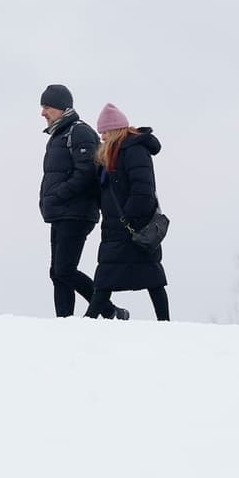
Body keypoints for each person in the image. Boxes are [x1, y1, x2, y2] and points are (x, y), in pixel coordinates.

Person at [38, 84, 127, 319]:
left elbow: (86, 173)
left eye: (47, 107)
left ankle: (109, 311)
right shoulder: (59, 135)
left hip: (76, 213)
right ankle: (64, 320)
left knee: (64, 270)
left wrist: (59, 195)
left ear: (61, 107)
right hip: (61, 212)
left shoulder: (80, 132)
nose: (43, 112)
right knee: (57, 273)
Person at [85, 103, 170, 321]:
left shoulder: (134, 150)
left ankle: (89, 319)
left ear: (114, 130)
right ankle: (89, 319)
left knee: (148, 276)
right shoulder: (113, 154)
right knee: (108, 275)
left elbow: (143, 191)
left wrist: (128, 218)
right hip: (118, 227)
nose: (101, 136)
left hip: (132, 226)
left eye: (104, 131)